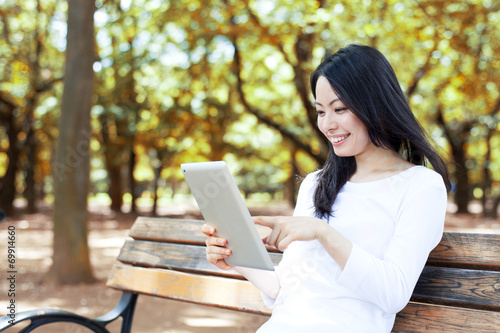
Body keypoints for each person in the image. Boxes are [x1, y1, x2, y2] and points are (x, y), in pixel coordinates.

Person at [201, 44, 450, 332]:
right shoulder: (316, 185)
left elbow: (393, 293)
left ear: (376, 103)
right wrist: (236, 254)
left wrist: (323, 232)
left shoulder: (420, 186)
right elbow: (288, 291)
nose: (327, 124)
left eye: (339, 109)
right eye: (320, 111)